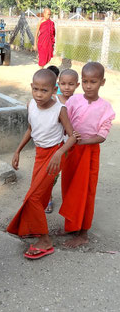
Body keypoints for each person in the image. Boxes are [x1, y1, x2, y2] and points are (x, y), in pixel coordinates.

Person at [6, 69, 78, 259]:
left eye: (44, 91)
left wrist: (60, 153)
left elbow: (72, 137)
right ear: (31, 87)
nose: (39, 94)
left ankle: (45, 241)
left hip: (55, 156)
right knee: (39, 194)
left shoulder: (59, 109)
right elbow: (31, 128)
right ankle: (33, 227)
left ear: (54, 90)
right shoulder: (31, 105)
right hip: (39, 154)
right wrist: (18, 150)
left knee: (34, 197)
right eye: (35, 89)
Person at [59, 62, 115, 248]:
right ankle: (71, 225)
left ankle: (83, 233)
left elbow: (101, 136)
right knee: (68, 187)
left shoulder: (106, 108)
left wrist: (80, 141)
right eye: (85, 81)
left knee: (86, 191)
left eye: (93, 81)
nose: (89, 85)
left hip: (89, 152)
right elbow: (64, 116)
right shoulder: (74, 101)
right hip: (72, 150)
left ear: (102, 82)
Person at [45, 68, 80, 213]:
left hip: (72, 144)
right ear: (58, 84)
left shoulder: (79, 101)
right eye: (63, 84)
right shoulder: (54, 99)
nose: (66, 87)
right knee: (51, 174)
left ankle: (70, 203)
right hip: (56, 143)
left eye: (71, 84)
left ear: (77, 85)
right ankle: (48, 198)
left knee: (71, 175)